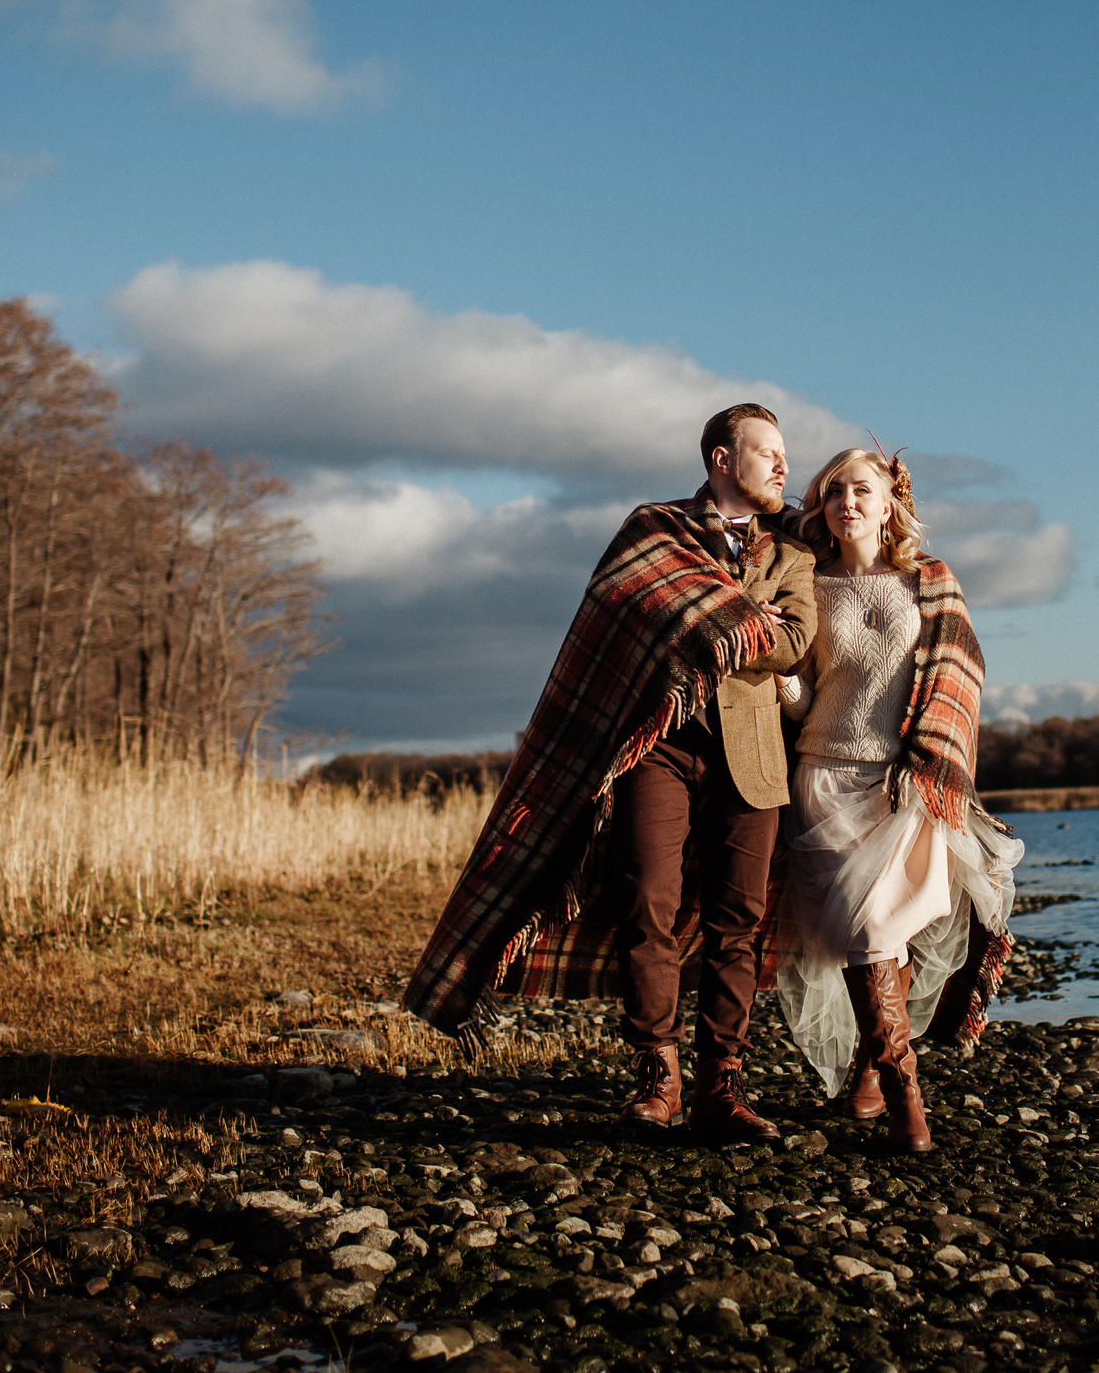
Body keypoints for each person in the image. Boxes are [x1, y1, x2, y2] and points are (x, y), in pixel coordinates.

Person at [404, 403, 815, 1143]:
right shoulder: (651, 529)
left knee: (737, 924)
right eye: (768, 452)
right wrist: (749, 619)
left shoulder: (793, 553)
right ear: (722, 459)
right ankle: (658, 1076)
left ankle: (724, 1082)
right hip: (654, 744)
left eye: (786, 453)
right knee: (646, 906)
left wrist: (715, 619)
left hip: (752, 759)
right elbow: (629, 607)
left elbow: (797, 642)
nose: (784, 466)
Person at [769, 447, 1021, 1153]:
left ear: (889, 504)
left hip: (905, 783)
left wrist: (930, 765)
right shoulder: (808, 583)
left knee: (877, 928)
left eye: (861, 490)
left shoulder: (929, 583)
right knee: (862, 934)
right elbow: (809, 698)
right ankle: (884, 1078)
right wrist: (785, 681)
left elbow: (960, 679)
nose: (845, 501)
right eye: (833, 491)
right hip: (823, 778)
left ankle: (894, 1085)